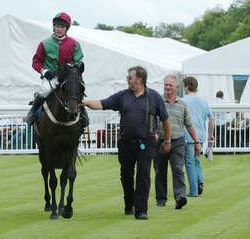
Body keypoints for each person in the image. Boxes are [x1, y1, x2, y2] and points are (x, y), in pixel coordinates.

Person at [83, 66, 171, 220]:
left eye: (130, 77)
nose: (127, 79)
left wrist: (168, 140)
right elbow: (102, 104)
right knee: (126, 175)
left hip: (146, 142)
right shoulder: (123, 96)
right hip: (126, 143)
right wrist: (84, 102)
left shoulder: (154, 97)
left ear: (140, 79)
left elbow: (165, 119)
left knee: (143, 175)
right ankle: (129, 203)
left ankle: (141, 209)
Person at [26, 12, 89, 130]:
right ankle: (33, 112)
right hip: (51, 77)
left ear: (67, 28)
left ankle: (84, 115)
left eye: (62, 27)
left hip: (68, 76)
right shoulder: (44, 43)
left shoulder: (74, 44)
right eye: (57, 26)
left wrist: (72, 67)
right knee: (44, 91)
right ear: (54, 26)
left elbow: (79, 61)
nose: (59, 29)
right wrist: (44, 71)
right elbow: (36, 61)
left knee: (75, 90)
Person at [154, 75, 201, 210]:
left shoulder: (182, 104)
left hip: (178, 142)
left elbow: (189, 124)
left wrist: (196, 141)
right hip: (160, 142)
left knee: (177, 169)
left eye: (170, 85)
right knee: (160, 171)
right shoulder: (158, 102)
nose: (167, 87)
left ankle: (180, 197)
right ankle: (161, 199)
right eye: (166, 85)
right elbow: (151, 120)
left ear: (176, 87)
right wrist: (154, 134)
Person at [182, 76, 214, 197]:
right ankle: (200, 181)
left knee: (189, 162)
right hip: (201, 134)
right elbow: (211, 119)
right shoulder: (203, 101)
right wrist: (210, 135)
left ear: (186, 86)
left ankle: (193, 190)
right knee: (196, 160)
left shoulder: (183, 100)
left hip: (189, 135)